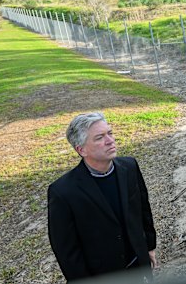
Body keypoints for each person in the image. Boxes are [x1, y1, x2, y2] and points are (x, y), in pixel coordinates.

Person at [48, 112, 158, 283]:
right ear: (81, 149)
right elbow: (66, 251)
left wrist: (149, 247)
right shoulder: (63, 191)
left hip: (138, 268)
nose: (110, 140)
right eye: (99, 137)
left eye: (110, 133)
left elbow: (143, 210)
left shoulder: (129, 167)